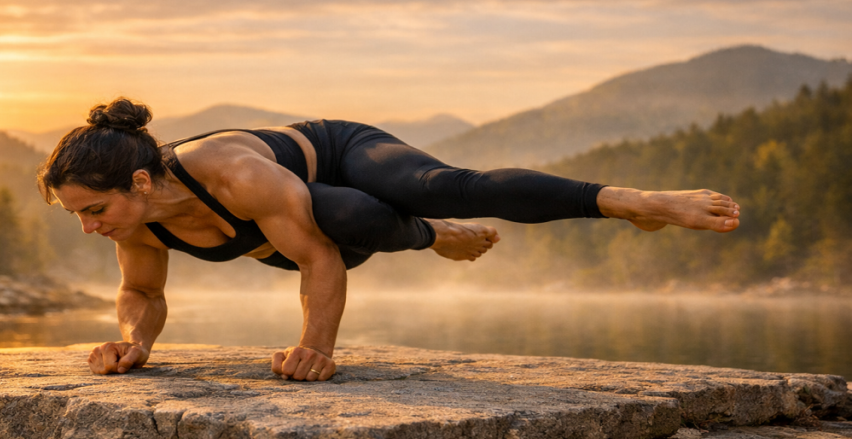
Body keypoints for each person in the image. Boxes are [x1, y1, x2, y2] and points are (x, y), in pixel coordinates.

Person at [38, 98, 741, 381]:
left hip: (338, 156)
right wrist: (135, 342)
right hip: (329, 222)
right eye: (77, 216)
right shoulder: (137, 224)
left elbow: (315, 257)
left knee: (430, 188)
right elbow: (139, 292)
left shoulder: (230, 172)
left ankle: (632, 201)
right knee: (351, 219)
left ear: (136, 181)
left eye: (94, 208)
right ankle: (433, 236)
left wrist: (316, 349)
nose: (89, 226)